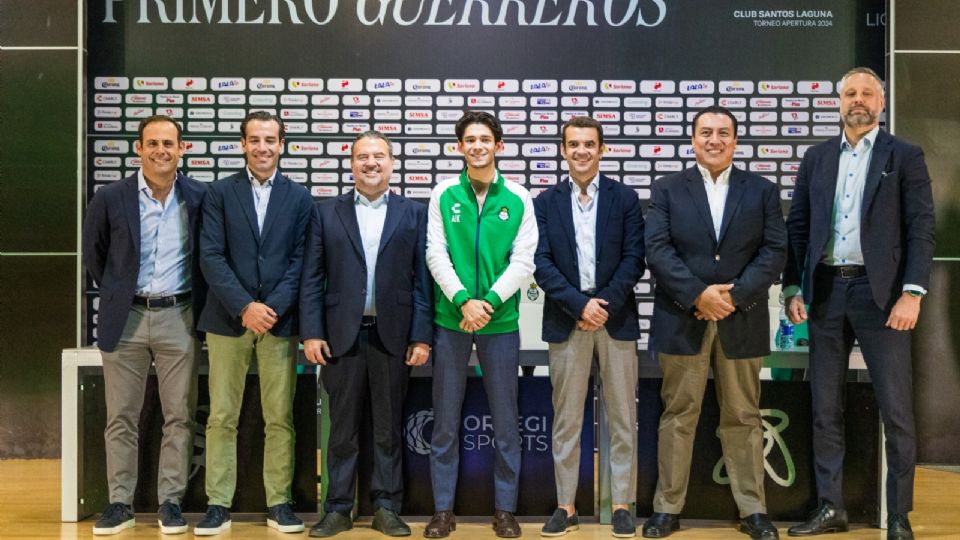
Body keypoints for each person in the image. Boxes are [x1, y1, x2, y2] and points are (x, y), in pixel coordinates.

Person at [784, 67, 935, 540]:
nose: (858, 100)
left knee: (896, 410)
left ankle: (898, 515)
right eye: (850, 93)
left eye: (867, 93)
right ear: (838, 102)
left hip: (883, 296)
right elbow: (799, 228)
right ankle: (832, 508)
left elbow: (921, 228)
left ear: (881, 103)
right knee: (825, 407)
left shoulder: (904, 155)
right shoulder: (817, 157)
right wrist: (792, 287)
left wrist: (912, 292)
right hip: (827, 293)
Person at [642, 106, 786, 539]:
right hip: (682, 319)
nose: (714, 140)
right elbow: (658, 250)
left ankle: (753, 510)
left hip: (740, 320)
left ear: (736, 141)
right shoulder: (667, 188)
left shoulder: (760, 189)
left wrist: (732, 297)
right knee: (678, 414)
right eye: (706, 132)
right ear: (693, 139)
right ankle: (667, 509)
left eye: (723, 133)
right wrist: (699, 295)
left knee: (743, 415)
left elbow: (774, 251)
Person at [300, 131, 434, 537]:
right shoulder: (325, 213)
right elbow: (312, 277)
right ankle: (338, 508)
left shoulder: (414, 213)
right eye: (362, 156)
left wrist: (421, 336)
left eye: (378, 156)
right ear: (352, 163)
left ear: (392, 163)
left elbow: (422, 282)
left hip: (392, 337)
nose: (370, 163)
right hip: (341, 336)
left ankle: (386, 506)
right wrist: (311, 332)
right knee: (341, 429)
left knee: (389, 429)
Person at [83, 115, 207, 536]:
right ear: (139, 148)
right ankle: (120, 503)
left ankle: (170, 503)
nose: (160, 151)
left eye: (168, 143)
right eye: (152, 143)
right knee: (121, 415)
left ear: (182, 148)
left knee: (180, 414)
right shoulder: (110, 197)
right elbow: (95, 256)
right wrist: (121, 293)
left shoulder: (198, 196)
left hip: (179, 316)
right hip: (127, 316)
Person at [194, 111, 313, 536]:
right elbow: (210, 255)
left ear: (282, 145)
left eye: (271, 140)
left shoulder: (299, 198)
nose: (263, 147)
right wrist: (245, 306)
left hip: (278, 322)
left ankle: (279, 502)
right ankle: (217, 504)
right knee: (221, 416)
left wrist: (271, 307)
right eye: (255, 140)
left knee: (279, 416)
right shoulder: (220, 193)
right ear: (243, 144)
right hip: (228, 319)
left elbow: (301, 261)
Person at [423, 110, 537, 539]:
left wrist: (486, 302)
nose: (477, 146)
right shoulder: (443, 195)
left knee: (507, 422)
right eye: (469, 139)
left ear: (499, 145)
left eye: (484, 139)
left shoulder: (519, 198)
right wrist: (461, 301)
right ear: (459, 147)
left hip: (500, 323)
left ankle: (505, 510)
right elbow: (436, 254)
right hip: (451, 322)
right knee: (445, 422)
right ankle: (442, 511)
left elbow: (523, 262)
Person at [533, 116, 645, 538]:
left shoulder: (625, 198)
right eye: (573, 144)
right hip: (567, 318)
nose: (581, 151)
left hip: (615, 320)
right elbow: (540, 262)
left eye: (589, 144)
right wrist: (580, 304)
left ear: (602, 149)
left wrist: (604, 305)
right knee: (566, 421)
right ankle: (566, 505)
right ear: (563, 151)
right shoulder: (545, 202)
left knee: (621, 417)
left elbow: (635, 258)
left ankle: (620, 503)